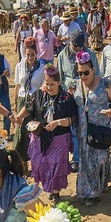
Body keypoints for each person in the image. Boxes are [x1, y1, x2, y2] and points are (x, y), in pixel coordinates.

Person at [16, 65, 76, 197]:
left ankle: (55, 193)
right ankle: (47, 187)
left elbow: (72, 118)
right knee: (39, 164)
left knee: (56, 166)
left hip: (59, 138)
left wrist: (57, 122)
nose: (49, 87)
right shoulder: (39, 94)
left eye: (52, 84)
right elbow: (28, 108)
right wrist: (19, 116)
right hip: (39, 137)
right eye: (47, 84)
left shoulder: (66, 98)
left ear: (59, 82)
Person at [71, 50, 111, 207]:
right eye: (79, 73)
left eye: (86, 72)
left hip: (101, 128)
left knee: (100, 160)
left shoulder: (105, 84)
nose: (83, 76)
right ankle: (89, 193)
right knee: (86, 162)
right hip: (83, 130)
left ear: (93, 70)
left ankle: (100, 184)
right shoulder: (75, 85)